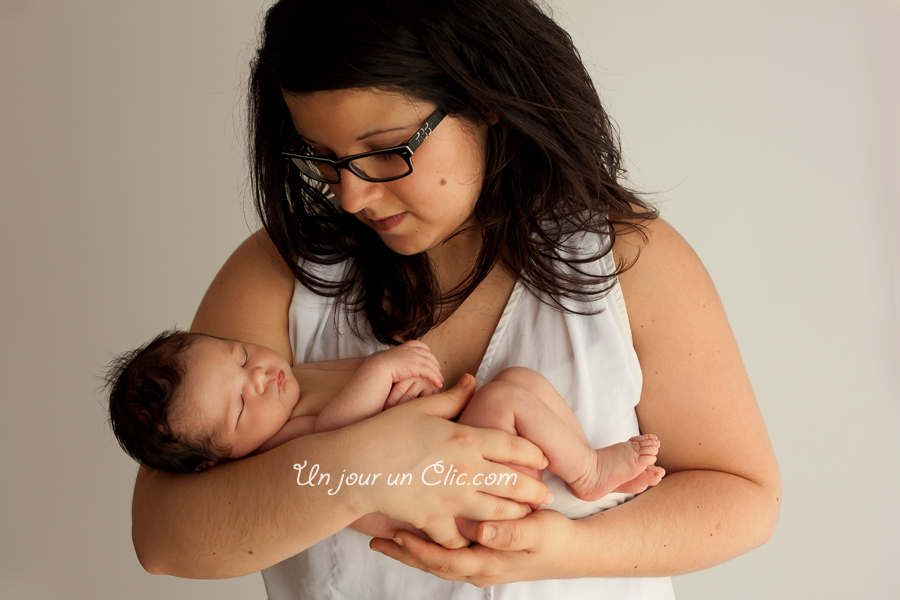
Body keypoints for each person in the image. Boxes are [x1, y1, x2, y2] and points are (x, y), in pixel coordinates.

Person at [130, 0, 781, 597]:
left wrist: (570, 548)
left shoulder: (629, 258)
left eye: (386, 152)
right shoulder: (276, 272)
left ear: (486, 95)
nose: (351, 196)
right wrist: (364, 468)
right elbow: (165, 535)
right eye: (321, 159)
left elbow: (745, 499)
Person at [107, 331, 663, 537]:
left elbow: (378, 420)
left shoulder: (290, 388)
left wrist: (402, 392)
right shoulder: (275, 450)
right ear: (215, 460)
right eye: (237, 405)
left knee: (517, 383)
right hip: (459, 507)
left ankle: (578, 464)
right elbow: (338, 446)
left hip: (459, 468)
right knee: (507, 398)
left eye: (241, 355)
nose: (257, 377)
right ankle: (588, 472)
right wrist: (380, 373)